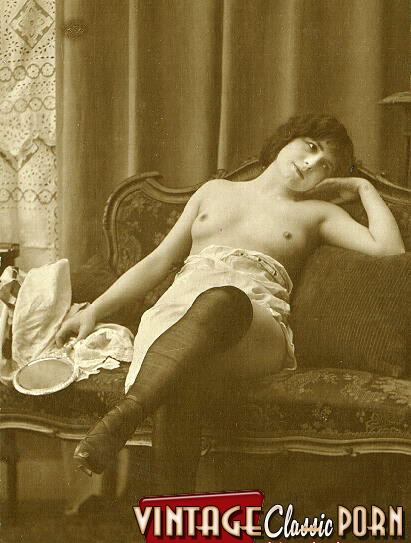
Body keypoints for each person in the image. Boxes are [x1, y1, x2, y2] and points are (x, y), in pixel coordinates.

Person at [56, 114, 405, 479]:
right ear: (287, 138)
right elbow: (158, 261)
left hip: (254, 325)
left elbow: (390, 250)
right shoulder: (214, 191)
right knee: (179, 380)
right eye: (311, 147)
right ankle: (171, 516)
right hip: (178, 315)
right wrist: (94, 310)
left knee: (223, 300)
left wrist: (363, 188)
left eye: (325, 166)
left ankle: (124, 416)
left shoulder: (318, 213)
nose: (310, 164)